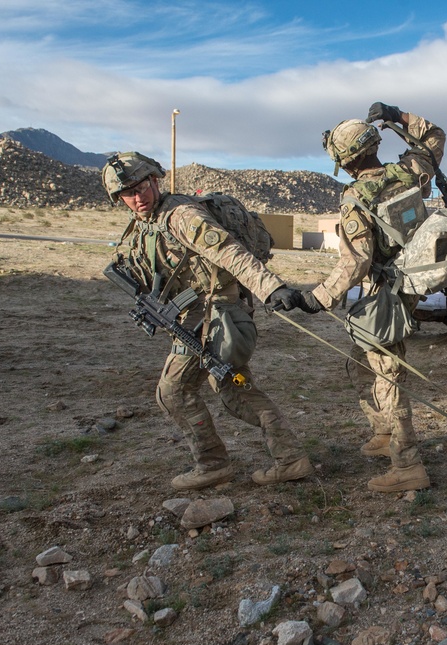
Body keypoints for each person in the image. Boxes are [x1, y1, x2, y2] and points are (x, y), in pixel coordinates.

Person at [102, 152, 313, 491]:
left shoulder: (181, 216)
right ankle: (290, 458)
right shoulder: (146, 223)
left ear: (155, 181)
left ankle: (213, 464)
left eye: (141, 188)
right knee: (233, 388)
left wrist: (270, 287)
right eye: (127, 194)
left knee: (173, 391)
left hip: (217, 314)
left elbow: (230, 252)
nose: (136, 198)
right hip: (198, 314)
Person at [294, 102, 445, 493]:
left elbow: (356, 262)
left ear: (344, 162)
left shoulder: (355, 200)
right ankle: (384, 434)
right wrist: (398, 115)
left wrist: (318, 298)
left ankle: (407, 463)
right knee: (362, 363)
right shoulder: (410, 172)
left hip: (385, 293)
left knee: (387, 374)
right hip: (409, 282)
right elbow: (434, 135)